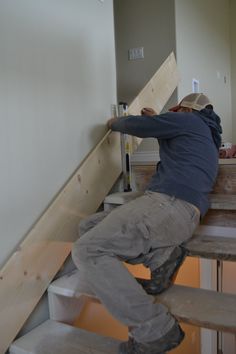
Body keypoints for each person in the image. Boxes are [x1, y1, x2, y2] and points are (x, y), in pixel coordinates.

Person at [72, 93, 222, 354]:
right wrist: (158, 120)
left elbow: (136, 127)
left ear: (185, 109)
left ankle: (155, 330)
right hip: (179, 212)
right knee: (89, 226)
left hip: (168, 205)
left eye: (176, 110)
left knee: (87, 249)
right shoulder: (204, 133)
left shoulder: (189, 121)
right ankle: (162, 257)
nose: (174, 114)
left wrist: (114, 122)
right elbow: (164, 128)